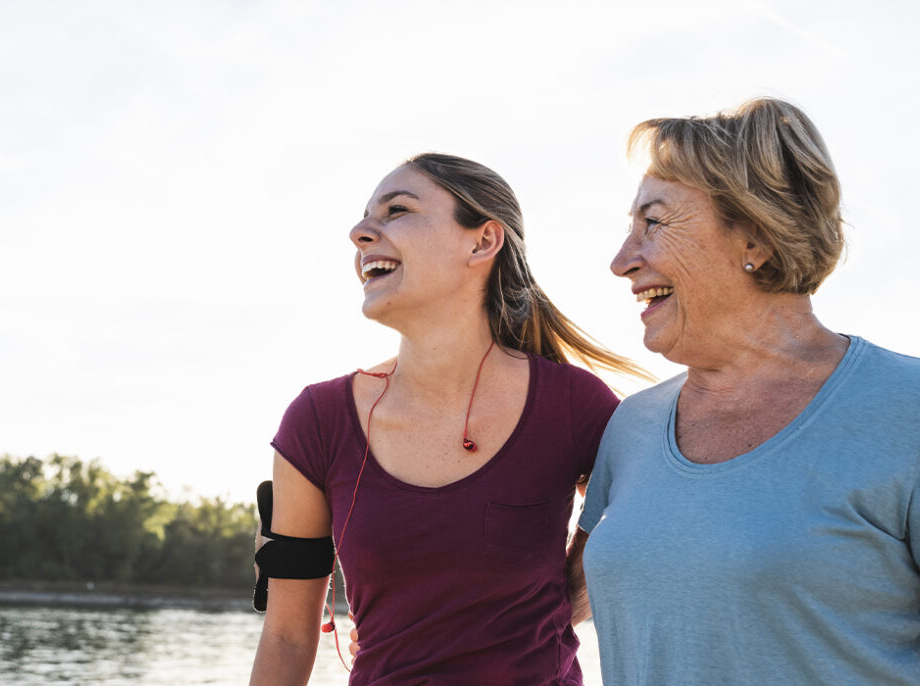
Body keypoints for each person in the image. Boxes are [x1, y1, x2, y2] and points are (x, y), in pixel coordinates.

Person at [576, 98, 920, 685]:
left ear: (755, 239)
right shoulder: (630, 426)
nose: (621, 261)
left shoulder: (916, 407)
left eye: (653, 223)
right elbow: (534, 615)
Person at [249, 153, 645, 686]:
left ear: (482, 242)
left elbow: (651, 536)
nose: (360, 232)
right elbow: (287, 637)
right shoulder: (316, 422)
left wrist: (557, 603)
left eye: (397, 210)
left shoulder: (575, 407)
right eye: (367, 216)